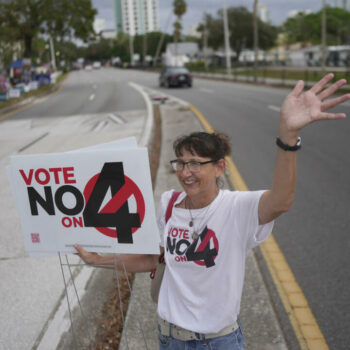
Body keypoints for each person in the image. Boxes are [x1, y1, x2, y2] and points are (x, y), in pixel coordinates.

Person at [75, 73, 350, 349]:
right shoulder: (169, 204)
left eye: (195, 163)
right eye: (181, 163)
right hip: (171, 338)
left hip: (221, 341)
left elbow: (281, 201)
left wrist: (288, 137)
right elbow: (153, 260)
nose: (186, 172)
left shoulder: (237, 208)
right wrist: (97, 259)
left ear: (219, 167)